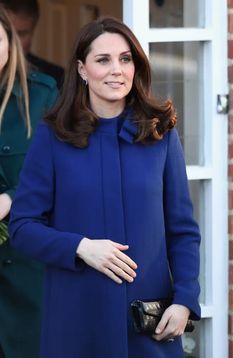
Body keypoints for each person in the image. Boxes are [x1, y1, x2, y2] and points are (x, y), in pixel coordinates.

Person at [9, 17, 201, 358]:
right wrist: (81, 247)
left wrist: (185, 300)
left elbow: (182, 230)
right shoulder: (53, 137)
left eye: (125, 59)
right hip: (76, 324)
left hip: (147, 326)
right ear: (82, 70)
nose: (117, 70)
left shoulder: (160, 134)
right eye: (103, 60)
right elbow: (22, 227)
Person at [0, 6, 58, 358]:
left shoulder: (43, 94)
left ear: (10, 42)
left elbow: (63, 175)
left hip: (27, 275)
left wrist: (11, 198)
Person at [0, 0, 64, 88]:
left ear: (33, 31)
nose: (12, 43)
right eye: (6, 32)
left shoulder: (56, 79)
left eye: (21, 34)